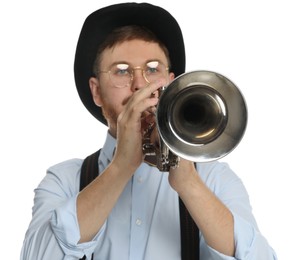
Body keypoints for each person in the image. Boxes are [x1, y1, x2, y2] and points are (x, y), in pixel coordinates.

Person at [20, 3, 277, 260]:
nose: (140, 85)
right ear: (96, 91)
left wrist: (188, 184)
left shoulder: (215, 179)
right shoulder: (64, 180)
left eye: (153, 69)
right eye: (121, 71)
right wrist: (121, 167)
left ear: (173, 84)